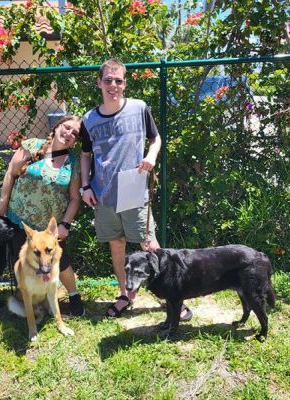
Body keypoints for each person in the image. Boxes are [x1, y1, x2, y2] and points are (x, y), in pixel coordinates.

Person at [80, 58, 192, 321]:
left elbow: (156, 138)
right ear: (99, 82)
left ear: (125, 83)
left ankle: (170, 296)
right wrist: (85, 186)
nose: (113, 85)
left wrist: (152, 156)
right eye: (108, 80)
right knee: (117, 247)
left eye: (118, 80)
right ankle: (125, 295)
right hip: (103, 194)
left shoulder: (140, 108)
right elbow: (85, 155)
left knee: (150, 246)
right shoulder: (89, 119)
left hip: (133, 191)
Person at [0, 115, 85, 317]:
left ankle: (75, 297)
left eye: (74, 133)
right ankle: (33, 302)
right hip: (19, 221)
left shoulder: (73, 163)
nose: (68, 133)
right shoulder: (33, 145)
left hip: (47, 230)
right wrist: (2, 202)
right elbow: (11, 172)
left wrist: (65, 225)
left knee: (62, 263)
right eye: (66, 127)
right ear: (57, 126)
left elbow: (74, 199)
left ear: (76, 140)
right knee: (27, 264)